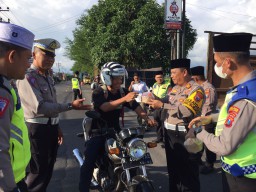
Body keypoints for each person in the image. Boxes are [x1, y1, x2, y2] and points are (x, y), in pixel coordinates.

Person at [16, 38, 92, 192]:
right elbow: (40, 107)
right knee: (37, 172)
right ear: (34, 55)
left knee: (47, 170)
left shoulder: (47, 77)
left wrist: (56, 125)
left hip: (49, 128)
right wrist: (70, 105)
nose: (50, 59)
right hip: (36, 130)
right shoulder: (28, 77)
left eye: (53, 56)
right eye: (46, 55)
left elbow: (52, 106)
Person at [188, 33, 256, 192]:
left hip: (244, 178)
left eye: (218, 63)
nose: (217, 67)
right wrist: (210, 118)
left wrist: (199, 131)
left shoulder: (245, 98)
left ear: (228, 63)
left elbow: (225, 146)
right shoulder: (245, 89)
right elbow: (239, 116)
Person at [79, 62, 155, 192]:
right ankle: (83, 188)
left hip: (115, 131)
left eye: (120, 77)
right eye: (116, 77)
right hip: (98, 132)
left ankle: (130, 177)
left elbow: (135, 106)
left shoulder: (122, 91)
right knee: (89, 160)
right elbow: (105, 107)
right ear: (107, 77)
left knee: (131, 154)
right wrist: (124, 98)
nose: (120, 80)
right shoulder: (99, 92)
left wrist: (146, 117)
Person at [147, 59, 205, 192]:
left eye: (173, 72)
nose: (171, 76)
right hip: (170, 135)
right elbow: (166, 101)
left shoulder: (197, 90)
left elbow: (186, 110)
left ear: (184, 72)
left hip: (186, 135)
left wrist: (161, 105)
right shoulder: (175, 89)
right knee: (173, 171)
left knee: (188, 174)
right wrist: (153, 98)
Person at [0, 22, 34, 192]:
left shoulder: (6, 84)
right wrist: (9, 187)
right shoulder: (1, 91)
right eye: (28, 58)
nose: (29, 64)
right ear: (12, 56)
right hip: (8, 183)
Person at [191, 66, 218, 174]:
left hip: (206, 120)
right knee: (198, 141)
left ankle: (209, 164)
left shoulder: (208, 88)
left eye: (193, 77)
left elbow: (207, 107)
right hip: (199, 120)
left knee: (209, 143)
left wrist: (200, 120)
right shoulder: (199, 87)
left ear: (196, 78)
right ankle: (198, 161)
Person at [151, 70, 171, 143]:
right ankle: (159, 138)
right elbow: (152, 94)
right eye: (158, 77)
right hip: (155, 107)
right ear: (155, 78)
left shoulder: (168, 85)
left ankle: (166, 139)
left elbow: (169, 96)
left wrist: (160, 101)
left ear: (163, 78)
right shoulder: (154, 85)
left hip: (164, 106)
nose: (159, 79)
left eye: (161, 77)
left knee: (163, 123)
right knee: (157, 122)